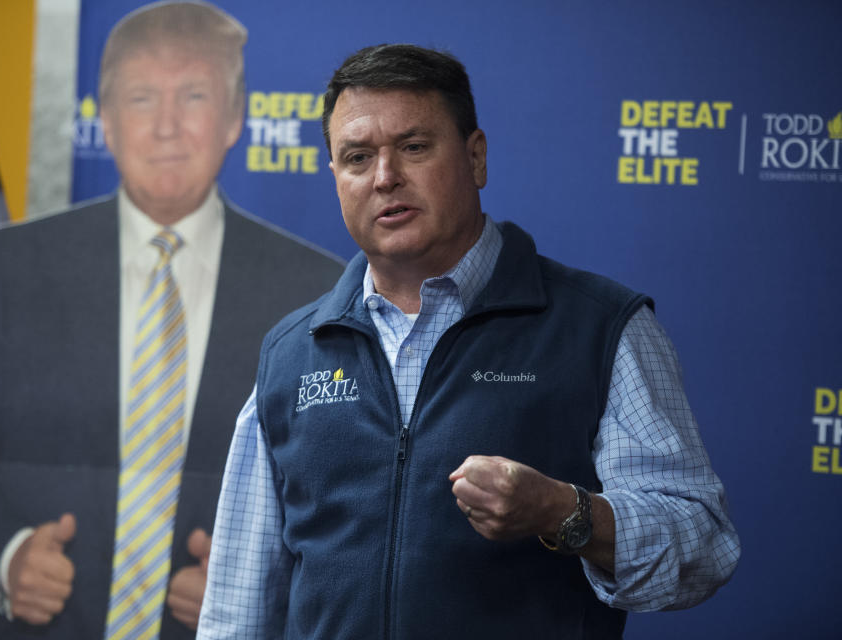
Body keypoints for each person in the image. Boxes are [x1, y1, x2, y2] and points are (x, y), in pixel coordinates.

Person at [196, 44, 741, 638]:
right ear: (336, 178)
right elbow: (238, 605)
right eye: (357, 157)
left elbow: (703, 546)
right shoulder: (291, 351)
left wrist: (564, 512)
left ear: (475, 158)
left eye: (414, 147)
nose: (385, 178)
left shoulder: (601, 326)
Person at [0, 3, 343, 639]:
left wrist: (257, 589)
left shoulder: (315, 291)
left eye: (194, 94)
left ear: (234, 116)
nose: (167, 126)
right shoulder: (16, 262)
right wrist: (5, 559)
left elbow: (337, 495)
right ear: (106, 122)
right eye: (142, 97)